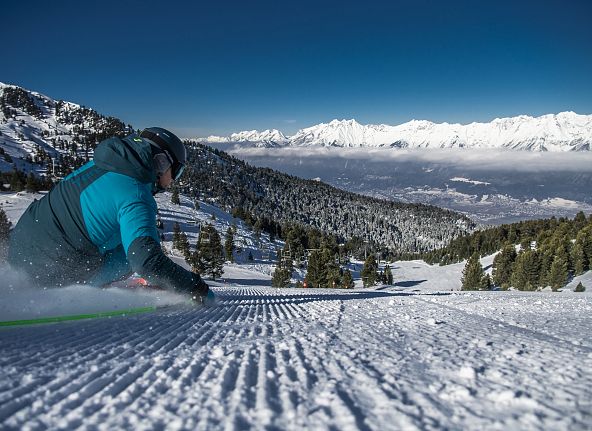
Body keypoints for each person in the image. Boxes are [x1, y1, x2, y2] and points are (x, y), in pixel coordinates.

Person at [8, 127, 213, 304]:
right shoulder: (136, 193)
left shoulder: (103, 164)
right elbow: (145, 261)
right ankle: (89, 286)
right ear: (162, 163)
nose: (173, 182)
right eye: (176, 173)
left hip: (18, 249)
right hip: (49, 273)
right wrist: (197, 288)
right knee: (130, 253)